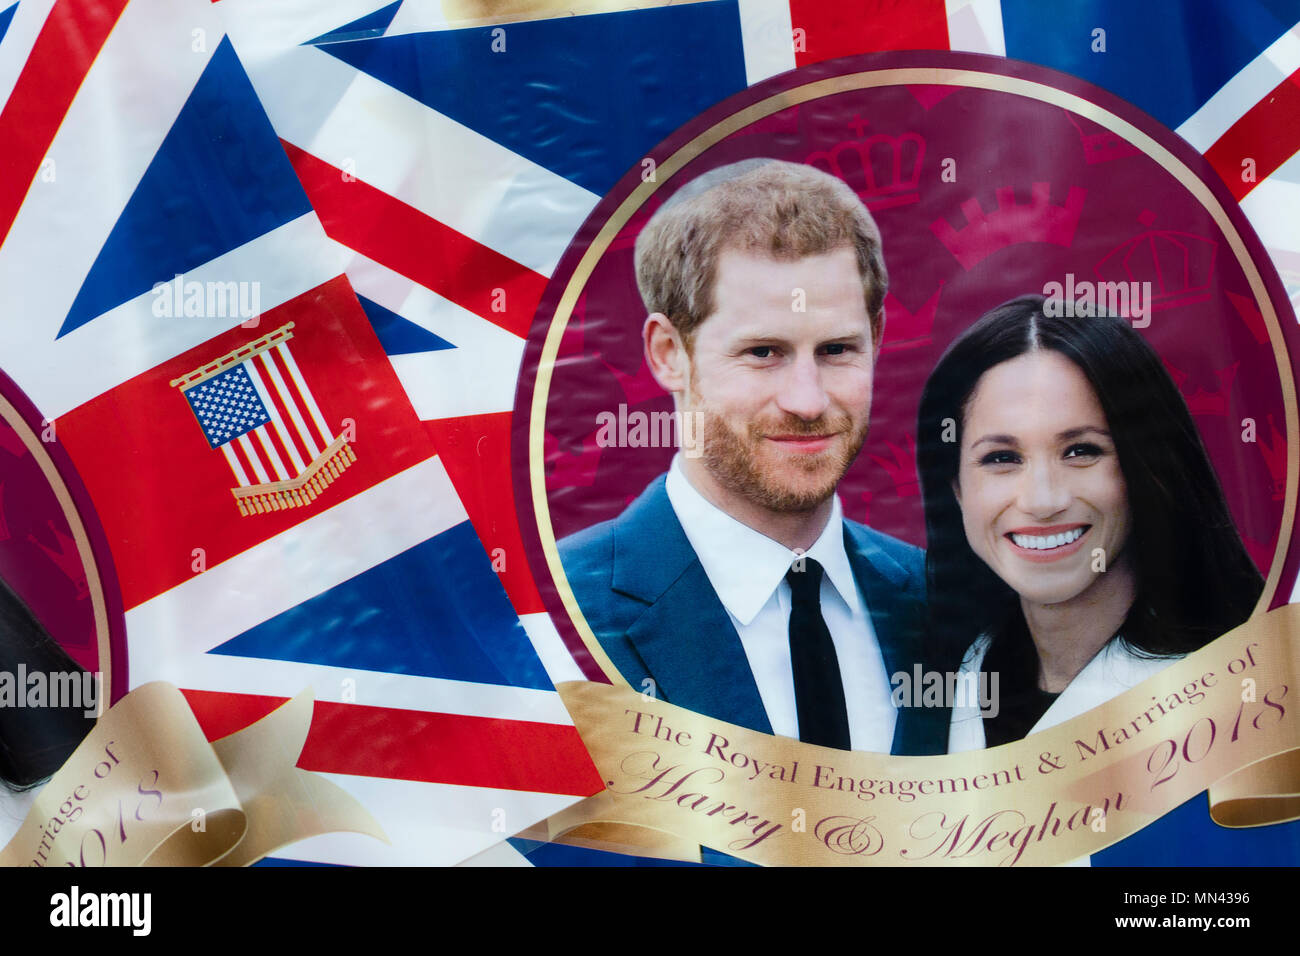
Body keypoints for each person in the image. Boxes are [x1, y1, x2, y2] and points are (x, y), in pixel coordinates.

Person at [559, 159, 947, 756]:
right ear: (669, 354)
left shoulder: (950, 608)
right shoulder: (555, 619)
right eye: (764, 352)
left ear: (878, 336)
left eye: (838, 349)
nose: (807, 400)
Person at [915, 294, 1264, 751]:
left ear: (1146, 467)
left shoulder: (1247, 688)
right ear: (956, 489)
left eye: (1081, 451)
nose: (1043, 500)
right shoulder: (947, 684)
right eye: (1001, 458)